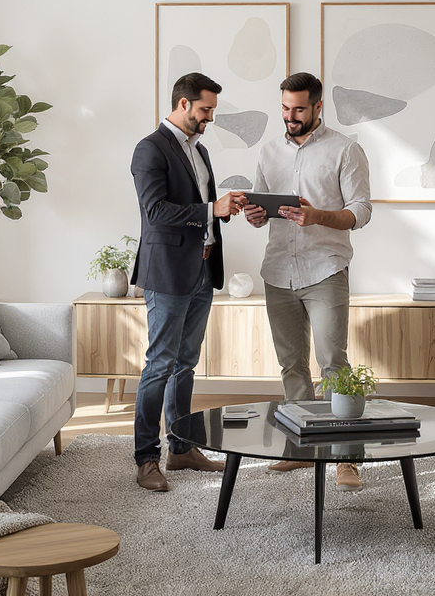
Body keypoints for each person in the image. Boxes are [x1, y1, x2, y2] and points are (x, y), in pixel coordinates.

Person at [244, 72, 372, 491]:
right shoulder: (268, 151)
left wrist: (317, 215)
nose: (290, 116)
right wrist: (256, 214)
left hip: (325, 270)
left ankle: (346, 457)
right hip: (278, 270)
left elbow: (361, 211)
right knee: (291, 365)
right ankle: (301, 448)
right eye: (284, 108)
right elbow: (259, 203)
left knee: (333, 364)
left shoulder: (345, 149)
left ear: (318, 107)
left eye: (298, 108)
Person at [129, 71, 248, 492]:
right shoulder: (150, 149)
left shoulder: (200, 151)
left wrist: (222, 209)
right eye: (205, 109)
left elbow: (202, 208)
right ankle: (146, 458)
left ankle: (180, 448)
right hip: (167, 274)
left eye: (211, 110)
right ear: (184, 104)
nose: (209, 117)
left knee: (186, 363)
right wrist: (209, 209)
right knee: (160, 363)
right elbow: (156, 212)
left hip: (202, 268)